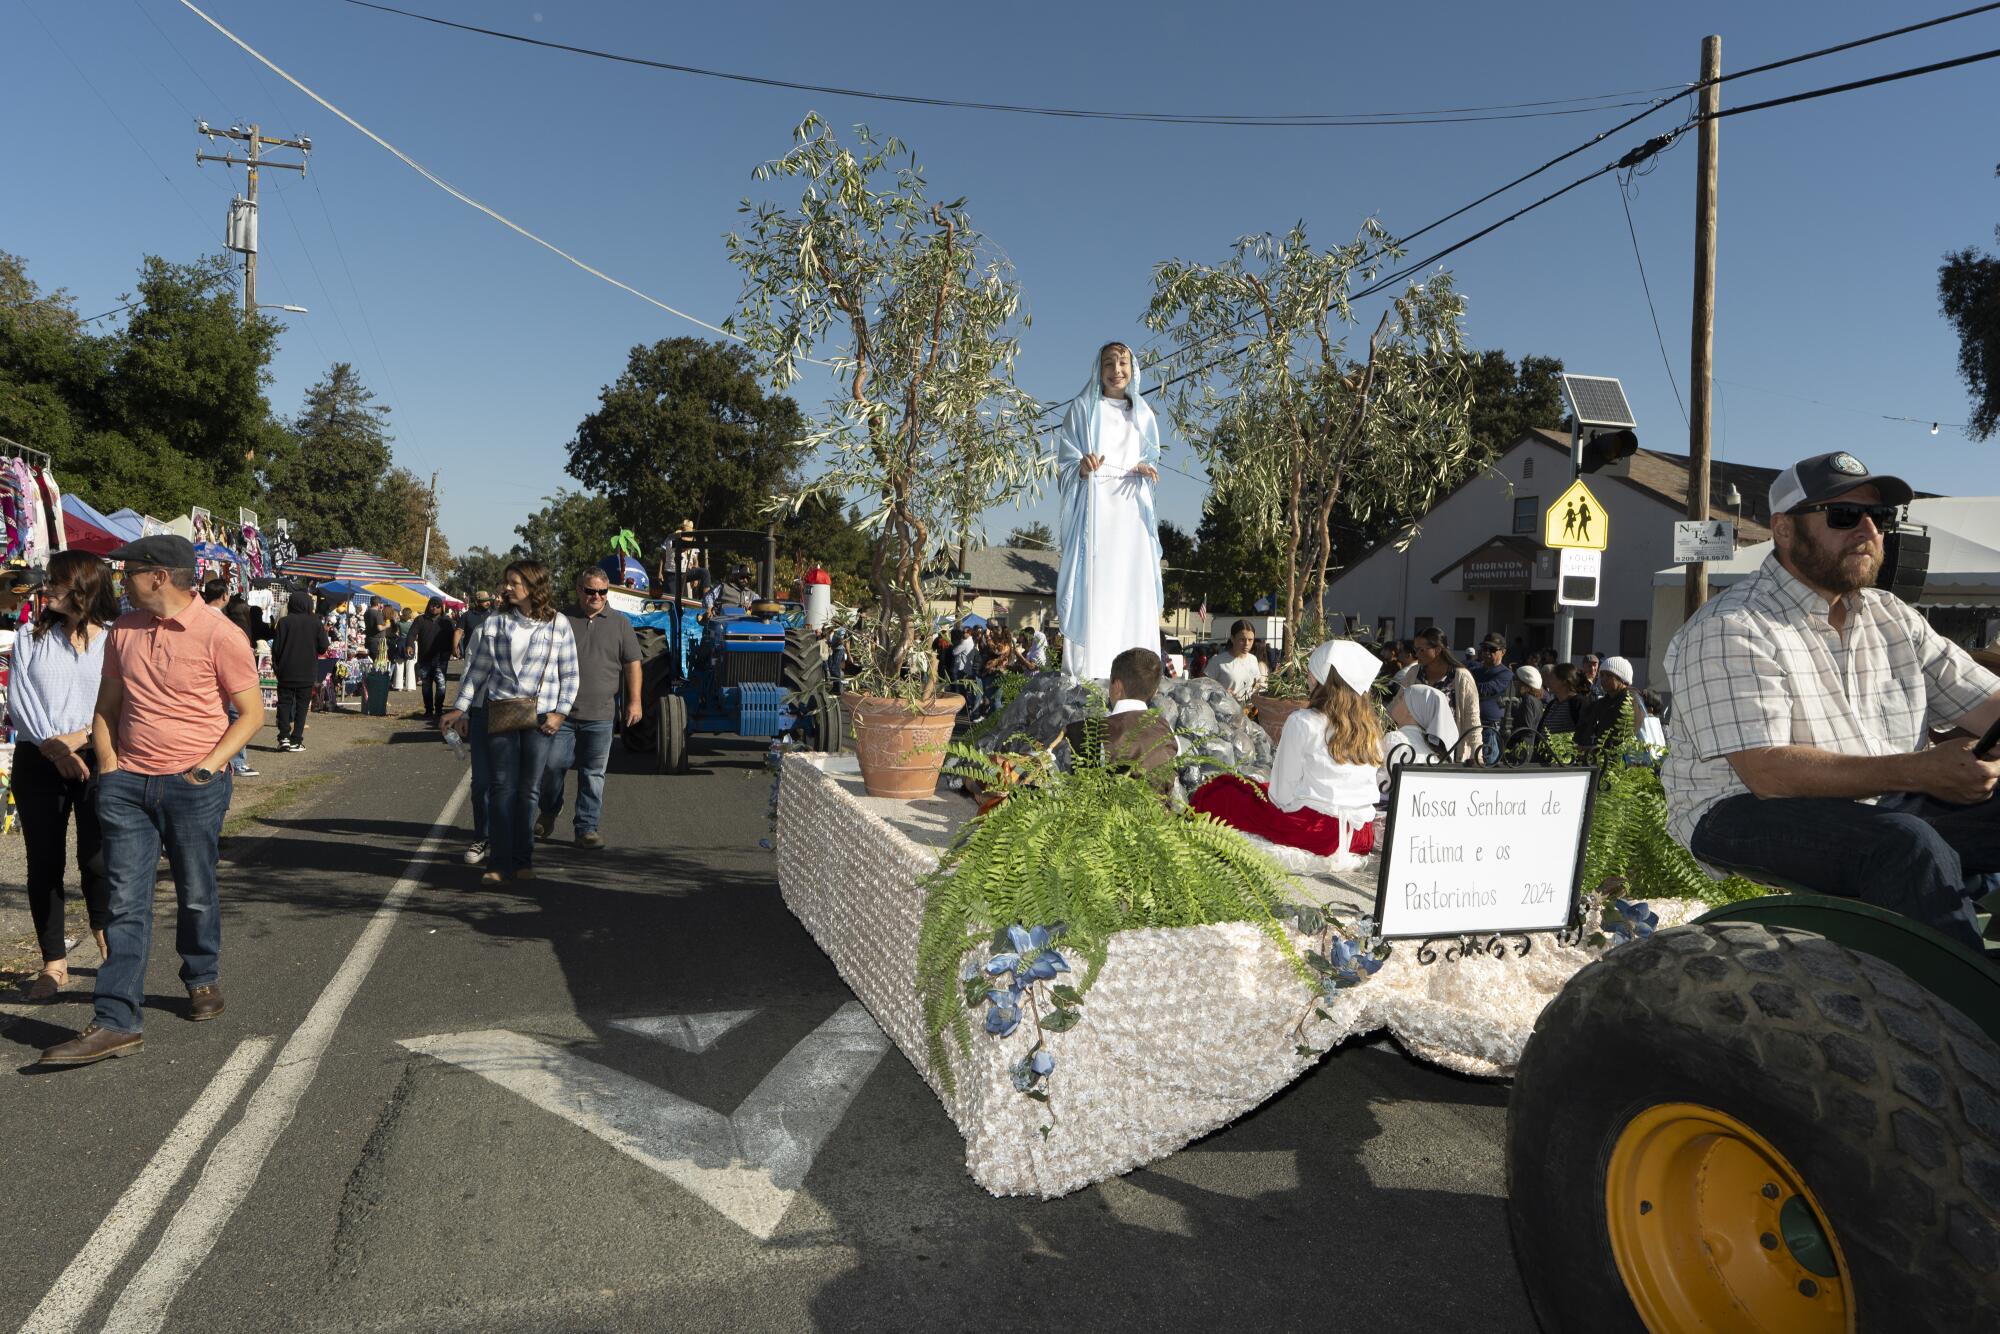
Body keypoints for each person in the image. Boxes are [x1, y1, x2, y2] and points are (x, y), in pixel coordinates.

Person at [1664, 450, 2000, 949]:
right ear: (1782, 530)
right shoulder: (1730, 626)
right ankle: (1960, 1018)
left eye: (1880, 517)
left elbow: (1988, 703)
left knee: (1907, 832)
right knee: (1904, 844)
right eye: (1844, 516)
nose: (1868, 531)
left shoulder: (1892, 616)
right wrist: (1921, 770)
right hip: (1737, 810)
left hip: (1880, 802)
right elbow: (1769, 773)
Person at [41, 536, 263, 1067]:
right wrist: (111, 768)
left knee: (196, 889)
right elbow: (108, 705)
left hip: (193, 785)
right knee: (124, 902)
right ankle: (117, 1020)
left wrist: (207, 768)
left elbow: (251, 713)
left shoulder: (221, 634)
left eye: (128, 571)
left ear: (158, 575)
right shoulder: (123, 630)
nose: (120, 580)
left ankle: (201, 974)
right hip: (128, 787)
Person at [10, 550, 116, 1002]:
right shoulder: (28, 639)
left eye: (54, 581)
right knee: (44, 862)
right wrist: (56, 750)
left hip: (98, 755)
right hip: (39, 761)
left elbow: (124, 703)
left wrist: (80, 739)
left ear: (82, 586)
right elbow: (21, 700)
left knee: (96, 859)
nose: (45, 588)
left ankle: (110, 952)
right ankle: (54, 962)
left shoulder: (115, 641)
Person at [441, 560, 579, 884]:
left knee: (529, 790)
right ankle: (499, 863)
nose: (506, 588)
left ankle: (522, 860)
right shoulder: (495, 622)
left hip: (542, 716)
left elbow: (570, 673)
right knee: (502, 789)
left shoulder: (558, 624)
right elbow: (478, 671)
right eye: (506, 582)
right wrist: (459, 709)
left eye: (513, 582)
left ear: (532, 587)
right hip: (500, 711)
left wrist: (561, 712)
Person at [1191, 640, 1385, 856]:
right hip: (1360, 834)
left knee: (1223, 790)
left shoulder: (1304, 721)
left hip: (1320, 832)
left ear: (1318, 677)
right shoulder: (1370, 727)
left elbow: (1281, 796)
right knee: (1252, 789)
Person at [1055, 341, 1164, 682]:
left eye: (1123, 363)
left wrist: (1146, 467)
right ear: (1098, 369)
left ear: (1133, 368)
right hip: (1096, 508)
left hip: (1131, 509)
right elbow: (1067, 461)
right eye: (1109, 363)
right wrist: (1082, 467)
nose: (1117, 370)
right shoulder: (1083, 410)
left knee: (1133, 583)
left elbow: (1150, 453)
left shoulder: (1143, 413)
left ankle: (1139, 677)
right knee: (1096, 580)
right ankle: (1091, 669)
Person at [537, 568, 642, 849]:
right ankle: (549, 810)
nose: (596, 596)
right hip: (561, 714)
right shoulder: (561, 620)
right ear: (578, 590)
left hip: (602, 715)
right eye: (590, 590)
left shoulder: (620, 623)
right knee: (552, 767)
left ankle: (586, 828)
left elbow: (633, 663)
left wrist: (635, 701)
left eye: (602, 592)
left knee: (593, 775)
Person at [1060, 646, 1180, 797]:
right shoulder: (1168, 731)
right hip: (1162, 819)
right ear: (1155, 691)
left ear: (1117, 687)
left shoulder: (1085, 732)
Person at [203, 578, 260, 778]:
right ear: (224, 596)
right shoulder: (229, 626)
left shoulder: (195, 619)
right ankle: (236, 761)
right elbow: (253, 716)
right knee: (237, 717)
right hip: (230, 681)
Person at [1396, 627, 1480, 762]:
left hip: (1449, 752)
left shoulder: (1461, 677)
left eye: (1421, 650)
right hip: (1415, 750)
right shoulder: (1413, 673)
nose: (1417, 654)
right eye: (1415, 649)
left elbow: (1472, 718)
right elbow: (1398, 702)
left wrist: (1477, 754)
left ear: (1438, 650)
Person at [269, 590, 329, 752]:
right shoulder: (315, 622)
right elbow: (324, 647)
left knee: (284, 704)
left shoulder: (284, 622)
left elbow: (276, 648)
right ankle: (296, 739)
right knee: (302, 706)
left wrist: (277, 667)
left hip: (286, 669)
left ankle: (284, 737)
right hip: (307, 670)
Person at [1384, 680, 1461, 769]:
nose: (1396, 700)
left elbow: (1382, 779)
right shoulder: (1436, 750)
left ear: (1411, 709)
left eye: (1401, 698)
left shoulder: (1394, 739)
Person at [1468, 636, 1515, 766]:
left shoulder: (1506, 673)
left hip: (1489, 728)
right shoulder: (1475, 671)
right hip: (1469, 724)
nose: (1487, 652)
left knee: (1487, 766)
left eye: (1492, 649)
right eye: (1484, 649)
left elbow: (1487, 689)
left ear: (1503, 652)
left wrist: (1467, 684)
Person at [1205, 619, 1269, 703]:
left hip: (1250, 711)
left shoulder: (1253, 659)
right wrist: (1221, 693)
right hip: (1225, 711)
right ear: (1232, 638)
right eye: (1242, 639)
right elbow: (1203, 687)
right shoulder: (1217, 661)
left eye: (1250, 640)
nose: (1247, 643)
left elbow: (1256, 684)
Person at [412, 597, 455, 721]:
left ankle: (439, 709)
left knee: (441, 684)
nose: (434, 607)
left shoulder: (447, 621)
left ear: (441, 607)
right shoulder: (420, 620)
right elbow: (412, 633)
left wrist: (452, 650)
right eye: (432, 605)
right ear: (428, 606)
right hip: (425, 658)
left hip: (441, 659)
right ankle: (429, 710)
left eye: (437, 605)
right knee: (426, 685)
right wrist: (409, 644)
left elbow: (453, 637)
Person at [390, 606, 418, 692]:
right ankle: (410, 686)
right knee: (410, 665)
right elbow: (416, 635)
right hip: (410, 643)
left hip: (401, 642)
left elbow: (394, 631)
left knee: (399, 664)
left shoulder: (399, 623)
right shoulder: (413, 624)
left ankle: (398, 686)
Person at [363, 599, 391, 667]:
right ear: (378, 604)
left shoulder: (366, 612)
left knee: (370, 661)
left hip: (369, 639)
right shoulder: (377, 613)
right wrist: (387, 625)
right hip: (377, 641)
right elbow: (379, 628)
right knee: (378, 662)